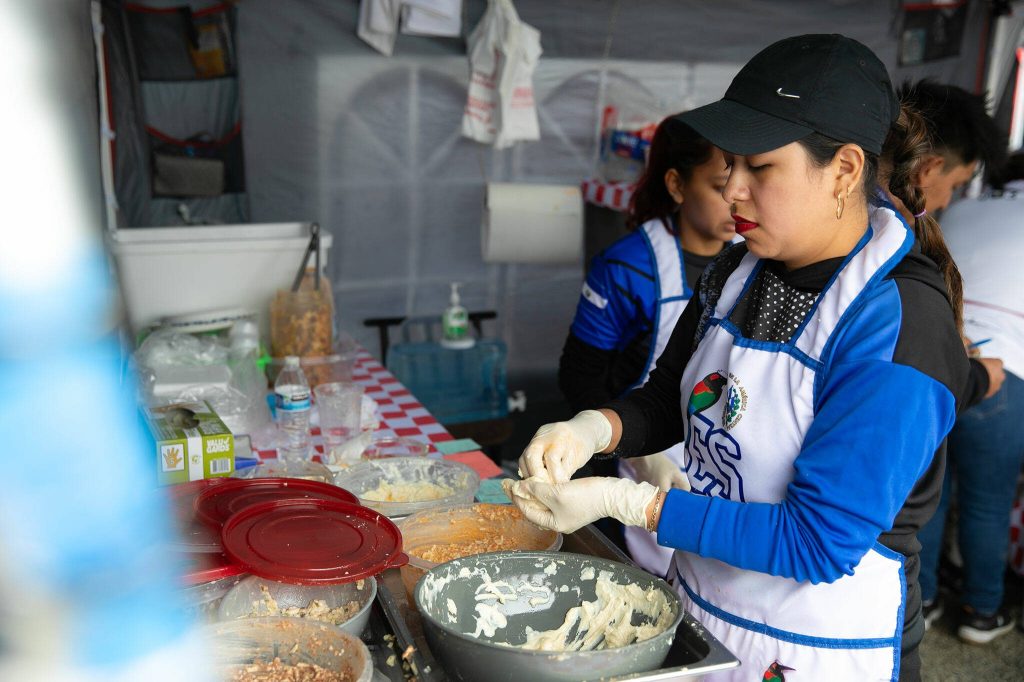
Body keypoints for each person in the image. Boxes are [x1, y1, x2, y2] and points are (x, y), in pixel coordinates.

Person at [505, 34, 985, 680]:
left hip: (819, 649)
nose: (732, 190)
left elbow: (817, 543)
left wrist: (630, 505)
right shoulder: (742, 267)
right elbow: (668, 396)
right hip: (702, 615)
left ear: (844, 170)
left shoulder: (896, 321)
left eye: (759, 168)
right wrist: (594, 429)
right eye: (729, 165)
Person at [559, 115, 735, 576]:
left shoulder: (754, 264)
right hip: (637, 464)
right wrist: (640, 456)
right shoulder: (628, 268)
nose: (738, 195)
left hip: (723, 462)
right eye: (721, 185)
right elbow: (580, 377)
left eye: (748, 174)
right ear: (677, 185)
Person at [916, 151, 1024, 644]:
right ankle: (983, 610)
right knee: (988, 503)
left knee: (931, 496)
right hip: (1006, 372)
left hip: (943, 361)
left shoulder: (960, 209)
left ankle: (926, 600)